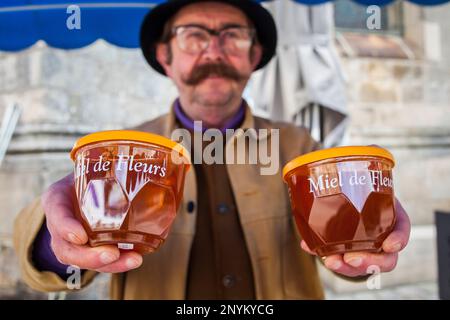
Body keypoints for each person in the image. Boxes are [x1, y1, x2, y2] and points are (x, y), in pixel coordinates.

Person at [14, 0, 410, 300]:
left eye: (233, 35)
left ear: (254, 57)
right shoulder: (115, 154)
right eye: (193, 36)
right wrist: (58, 239)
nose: (214, 52)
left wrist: (366, 250)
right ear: (165, 57)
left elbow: (340, 254)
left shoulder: (299, 146)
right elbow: (49, 267)